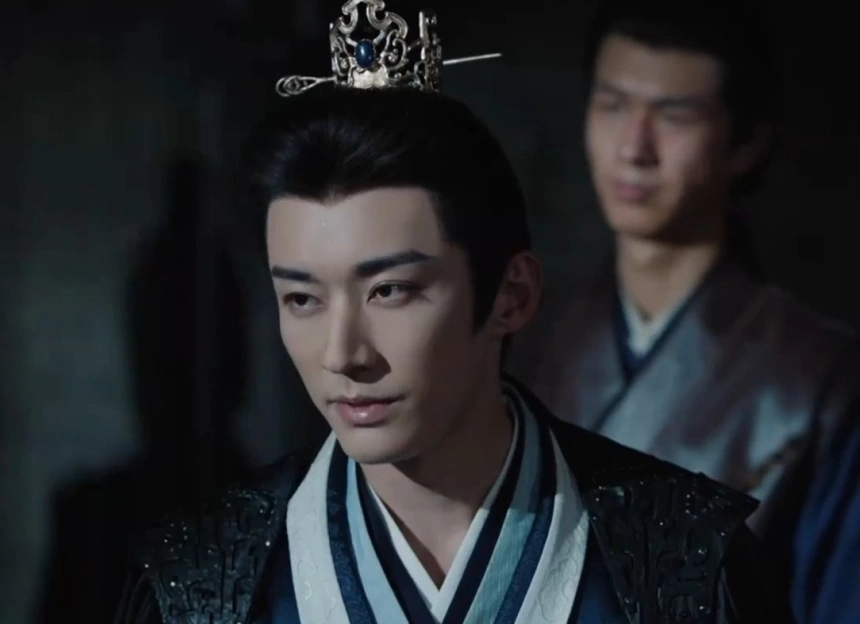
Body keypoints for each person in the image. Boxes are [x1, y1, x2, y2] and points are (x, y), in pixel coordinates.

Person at [115, 1, 793, 622]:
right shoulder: (203, 582)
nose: (343, 354)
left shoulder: (686, 559)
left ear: (512, 294)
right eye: (303, 299)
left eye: (391, 291)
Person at [509, 1, 860, 622]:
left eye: (674, 115)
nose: (634, 148)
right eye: (612, 105)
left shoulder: (817, 376)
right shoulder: (525, 334)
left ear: (746, 143)